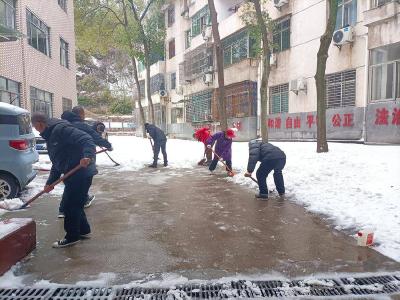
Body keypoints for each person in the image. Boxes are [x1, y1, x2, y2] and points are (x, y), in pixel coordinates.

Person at [31, 112, 96, 248]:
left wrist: (88, 156)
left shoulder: (61, 130)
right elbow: (57, 163)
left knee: (70, 205)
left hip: (81, 171)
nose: (35, 129)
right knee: (75, 203)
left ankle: (72, 237)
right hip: (73, 173)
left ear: (39, 124)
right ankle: (83, 230)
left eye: (35, 126)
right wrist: (50, 183)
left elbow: (86, 139)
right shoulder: (50, 135)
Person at [60, 110, 113, 216]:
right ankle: (80, 203)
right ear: (79, 115)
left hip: (69, 160)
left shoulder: (62, 127)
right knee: (85, 181)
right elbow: (95, 137)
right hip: (85, 159)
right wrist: (108, 145)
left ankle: (63, 209)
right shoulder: (82, 125)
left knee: (70, 184)